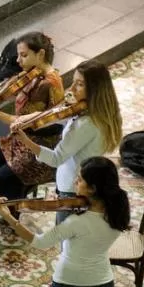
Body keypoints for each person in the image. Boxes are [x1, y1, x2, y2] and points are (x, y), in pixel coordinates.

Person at [0, 157, 129, 287]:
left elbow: (40, 242)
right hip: (102, 283)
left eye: (80, 180)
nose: (75, 181)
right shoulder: (118, 211)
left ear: (92, 189)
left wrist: (8, 216)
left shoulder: (76, 222)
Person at [12, 59, 123, 225]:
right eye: (73, 82)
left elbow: (56, 158)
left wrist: (26, 141)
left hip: (72, 189)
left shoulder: (86, 124)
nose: (71, 89)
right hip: (81, 182)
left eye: (79, 84)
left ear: (94, 90)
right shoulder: (97, 111)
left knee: (66, 239)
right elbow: (54, 117)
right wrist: (28, 120)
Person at [0, 32, 65, 205]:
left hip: (38, 149)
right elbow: (11, 91)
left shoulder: (48, 83)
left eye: (24, 55)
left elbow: (20, 122)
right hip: (19, 140)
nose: (18, 60)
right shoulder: (32, 74)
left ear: (41, 54)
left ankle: (14, 211)